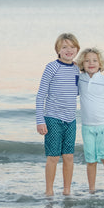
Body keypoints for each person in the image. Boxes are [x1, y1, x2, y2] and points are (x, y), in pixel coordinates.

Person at [36, 33, 80, 196]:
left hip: (71, 120)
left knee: (68, 157)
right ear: (58, 50)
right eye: (64, 47)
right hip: (53, 119)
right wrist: (40, 120)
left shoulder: (76, 69)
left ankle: (67, 191)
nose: (69, 50)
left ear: (77, 49)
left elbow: (76, 91)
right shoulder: (51, 67)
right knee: (53, 157)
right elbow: (41, 95)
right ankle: (49, 191)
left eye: (72, 47)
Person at [77, 48, 104, 194]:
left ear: (100, 63)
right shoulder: (80, 79)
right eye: (87, 60)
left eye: (95, 60)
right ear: (82, 63)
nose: (91, 63)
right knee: (91, 161)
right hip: (87, 127)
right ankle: (91, 190)